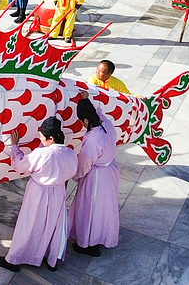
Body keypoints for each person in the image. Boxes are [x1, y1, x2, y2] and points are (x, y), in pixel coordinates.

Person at [0, 117, 77, 272]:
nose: (40, 139)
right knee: (52, 225)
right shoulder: (70, 153)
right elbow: (71, 171)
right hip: (58, 192)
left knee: (29, 224)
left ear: (50, 138)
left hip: (39, 193)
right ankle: (51, 258)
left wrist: (15, 146)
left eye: (41, 137)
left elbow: (20, 165)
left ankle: (14, 259)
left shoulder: (41, 154)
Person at [69, 95, 120, 257]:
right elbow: (100, 113)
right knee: (104, 208)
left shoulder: (93, 139)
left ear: (85, 120)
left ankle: (87, 243)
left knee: (89, 209)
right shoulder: (107, 124)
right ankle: (101, 236)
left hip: (96, 177)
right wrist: (86, 100)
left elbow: (84, 164)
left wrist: (74, 175)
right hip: (109, 172)